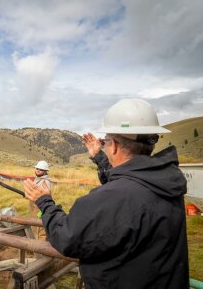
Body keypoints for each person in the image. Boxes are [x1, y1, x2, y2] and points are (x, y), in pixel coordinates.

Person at [24, 99, 189, 288]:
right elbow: (128, 181)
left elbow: (65, 236)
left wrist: (44, 202)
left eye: (105, 141)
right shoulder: (165, 183)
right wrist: (99, 157)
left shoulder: (109, 199)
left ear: (115, 146)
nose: (104, 145)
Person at [29, 160, 51, 239]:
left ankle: (40, 250)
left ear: (45, 171)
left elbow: (47, 197)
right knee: (34, 229)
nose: (38, 170)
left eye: (41, 169)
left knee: (40, 232)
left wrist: (42, 211)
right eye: (37, 168)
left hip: (40, 210)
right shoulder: (38, 179)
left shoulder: (44, 182)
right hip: (35, 210)